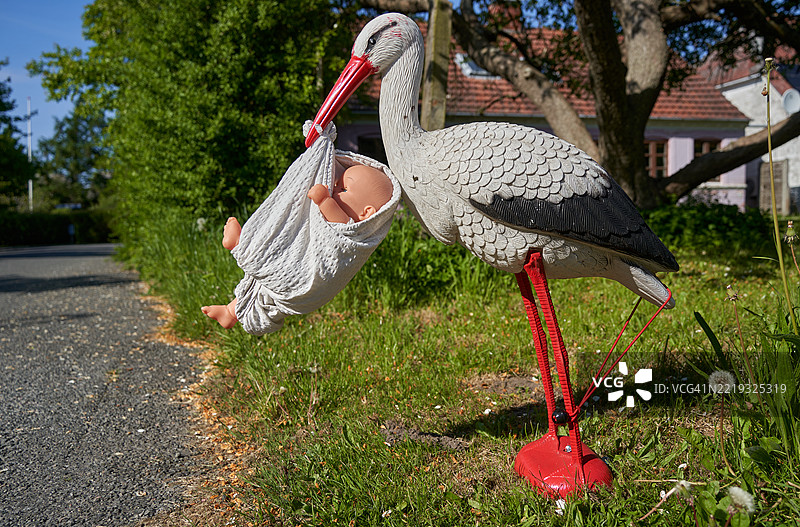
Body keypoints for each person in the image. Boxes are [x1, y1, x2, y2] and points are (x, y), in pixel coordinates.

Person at [201, 163, 393, 330]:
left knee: (274, 270)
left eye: (342, 189)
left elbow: (335, 218)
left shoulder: (351, 232)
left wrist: (324, 200)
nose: (334, 190)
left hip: (306, 281)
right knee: (263, 290)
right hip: (305, 292)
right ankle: (230, 313)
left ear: (366, 212)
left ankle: (240, 247)